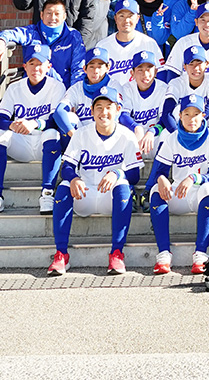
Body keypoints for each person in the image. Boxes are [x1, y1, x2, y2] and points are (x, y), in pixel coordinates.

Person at [48, 83, 142, 275]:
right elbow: (66, 168)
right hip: (85, 193)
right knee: (64, 186)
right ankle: (61, 254)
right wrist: (74, 178)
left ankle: (117, 253)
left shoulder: (127, 136)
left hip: (110, 197)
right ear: (91, 111)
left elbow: (134, 175)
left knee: (123, 184)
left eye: (109, 107)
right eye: (99, 107)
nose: (103, 112)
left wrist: (117, 173)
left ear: (118, 110)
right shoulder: (82, 134)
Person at [0, 43, 66, 216]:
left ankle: (47, 194)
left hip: (44, 143)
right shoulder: (14, 87)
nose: (36, 68)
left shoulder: (57, 86)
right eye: (31, 63)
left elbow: (56, 121)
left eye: (40, 64)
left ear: (48, 66)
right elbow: (0, 120)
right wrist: (11, 125)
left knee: (52, 133)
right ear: (24, 66)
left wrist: (35, 123)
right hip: (22, 144)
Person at [149, 93, 209, 274]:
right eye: (187, 114)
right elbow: (160, 171)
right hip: (178, 193)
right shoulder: (172, 137)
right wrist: (161, 179)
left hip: (199, 193)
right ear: (180, 116)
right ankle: (164, 254)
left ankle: (200, 254)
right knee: (155, 190)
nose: (192, 119)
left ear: (203, 115)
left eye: (196, 114)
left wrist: (194, 178)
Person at [0, 0, 86, 89]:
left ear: (64, 16)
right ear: (41, 15)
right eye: (49, 13)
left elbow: (78, 69)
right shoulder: (31, 32)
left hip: (62, 91)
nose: (52, 17)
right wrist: (2, 41)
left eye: (57, 14)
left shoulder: (73, 36)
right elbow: (11, 33)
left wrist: (73, 95)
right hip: (33, 91)